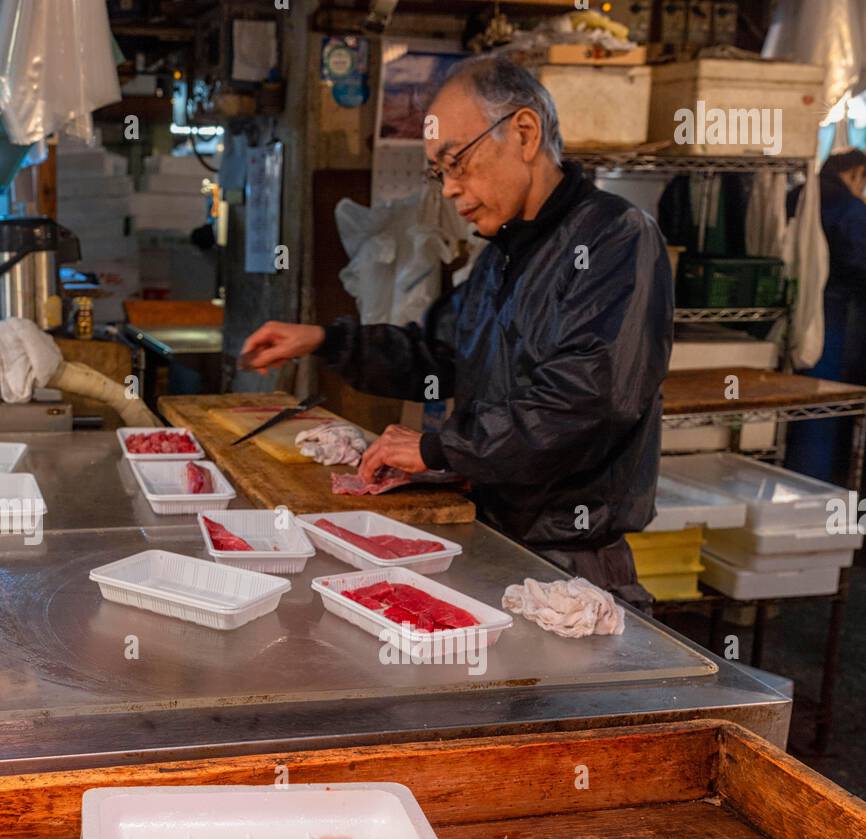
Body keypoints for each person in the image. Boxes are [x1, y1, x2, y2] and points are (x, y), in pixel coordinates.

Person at [242, 55, 674, 604]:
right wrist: (329, 341)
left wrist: (438, 448)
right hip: (490, 536)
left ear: (523, 132)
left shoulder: (617, 238)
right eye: (438, 172)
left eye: (457, 162)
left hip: (571, 568)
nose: (448, 188)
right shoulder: (502, 255)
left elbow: (586, 401)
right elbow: (439, 353)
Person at [786, 148, 866, 484]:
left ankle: (789, 477)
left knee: (796, 404)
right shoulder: (850, 209)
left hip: (793, 313)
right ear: (855, 173)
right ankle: (815, 488)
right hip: (834, 322)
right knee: (824, 410)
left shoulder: (797, 194)